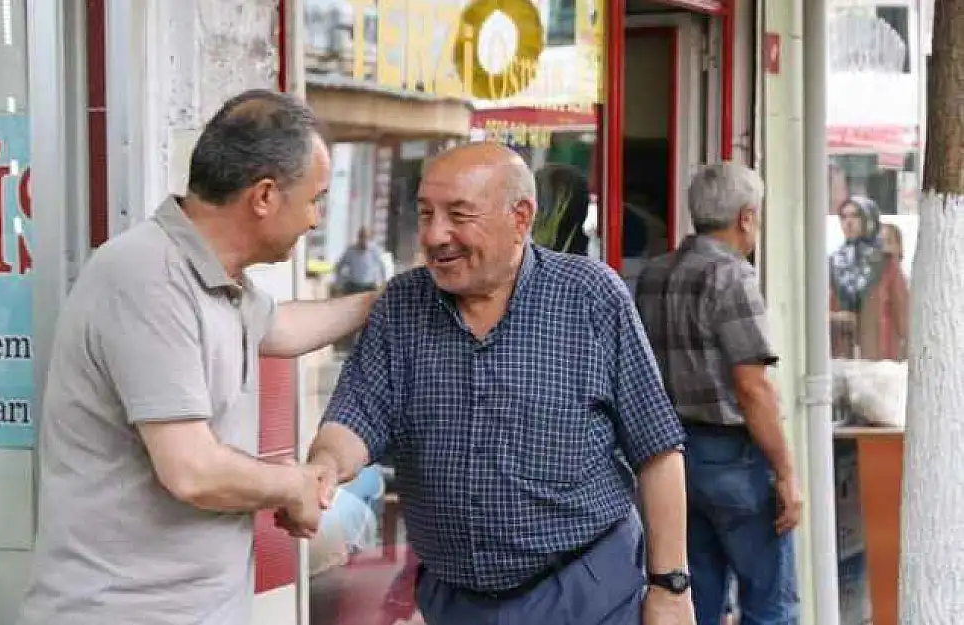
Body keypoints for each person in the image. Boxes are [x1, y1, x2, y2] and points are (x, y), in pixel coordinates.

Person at [279, 142, 694, 625]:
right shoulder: (402, 306)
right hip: (456, 601)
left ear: (520, 218)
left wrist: (670, 586)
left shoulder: (590, 297)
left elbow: (658, 450)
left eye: (458, 215)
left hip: (584, 591)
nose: (435, 235)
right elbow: (356, 416)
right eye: (426, 213)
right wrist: (325, 467)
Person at [15, 89, 379, 625]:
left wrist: (383, 301)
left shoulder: (214, 279)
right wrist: (294, 482)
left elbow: (282, 327)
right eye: (314, 199)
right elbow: (192, 471)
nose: (316, 220)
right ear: (263, 196)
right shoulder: (146, 277)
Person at [634, 162, 801, 625]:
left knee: (695, 600)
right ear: (746, 217)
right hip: (734, 460)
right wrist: (786, 473)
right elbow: (753, 387)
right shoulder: (733, 275)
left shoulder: (654, 274)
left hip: (671, 459)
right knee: (771, 606)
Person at [828, 196, 909, 361]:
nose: (848, 222)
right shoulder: (836, 263)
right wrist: (838, 317)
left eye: (855, 216)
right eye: (844, 217)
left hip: (881, 358)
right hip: (843, 356)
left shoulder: (887, 264)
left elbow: (903, 315)